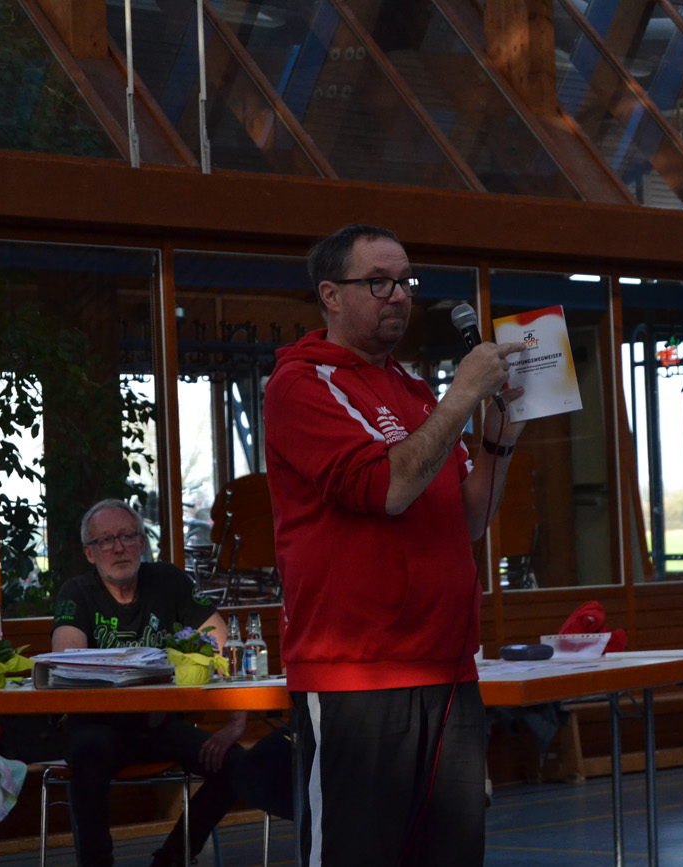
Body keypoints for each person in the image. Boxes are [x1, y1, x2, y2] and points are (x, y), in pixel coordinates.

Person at [263, 224, 527, 866]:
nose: (400, 296)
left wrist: (499, 436)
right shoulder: (302, 384)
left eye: (405, 281)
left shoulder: (412, 392)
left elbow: (471, 519)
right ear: (330, 295)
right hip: (359, 675)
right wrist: (462, 396)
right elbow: (388, 489)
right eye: (378, 282)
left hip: (447, 668)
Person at [51, 498, 247, 867]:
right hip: (98, 727)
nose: (119, 547)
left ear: (142, 543)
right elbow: (68, 665)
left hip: (158, 726)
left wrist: (235, 723)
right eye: (106, 540)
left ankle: (172, 860)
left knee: (236, 763)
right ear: (90, 553)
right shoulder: (76, 592)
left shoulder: (168, 580)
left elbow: (223, 646)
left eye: (127, 536)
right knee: (90, 756)